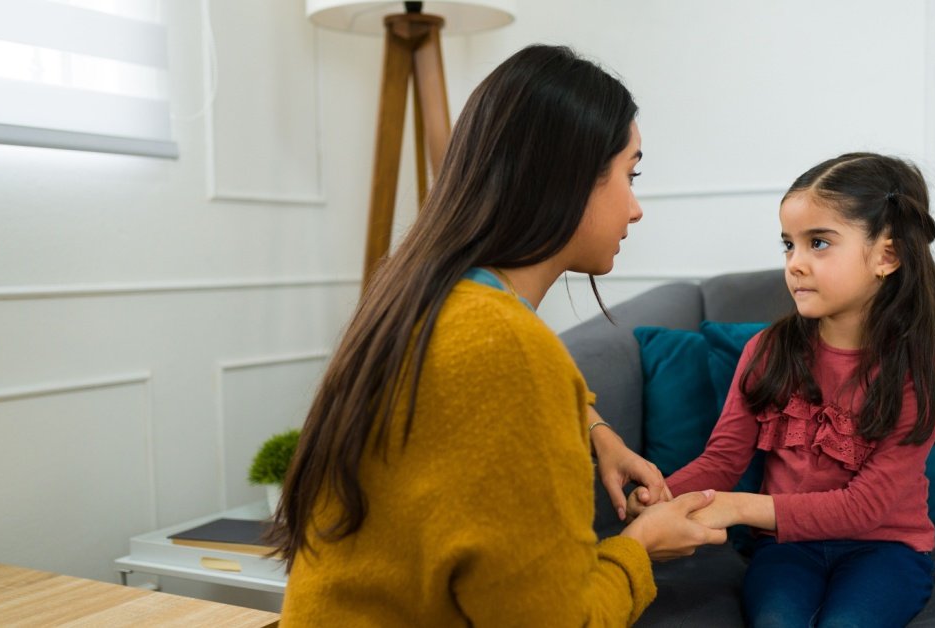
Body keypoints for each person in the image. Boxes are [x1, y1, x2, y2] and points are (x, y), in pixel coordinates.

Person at [270, 44, 727, 627]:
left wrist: (596, 430)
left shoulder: (425, 296)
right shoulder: (504, 345)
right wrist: (641, 547)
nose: (635, 209)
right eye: (629, 175)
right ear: (568, 177)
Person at [629, 152, 935, 627]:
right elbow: (721, 461)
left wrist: (738, 507)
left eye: (819, 243)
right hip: (785, 547)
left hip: (884, 548)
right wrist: (661, 497)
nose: (795, 264)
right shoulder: (767, 351)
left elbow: (864, 508)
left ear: (887, 256)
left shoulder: (920, 378)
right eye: (789, 245)